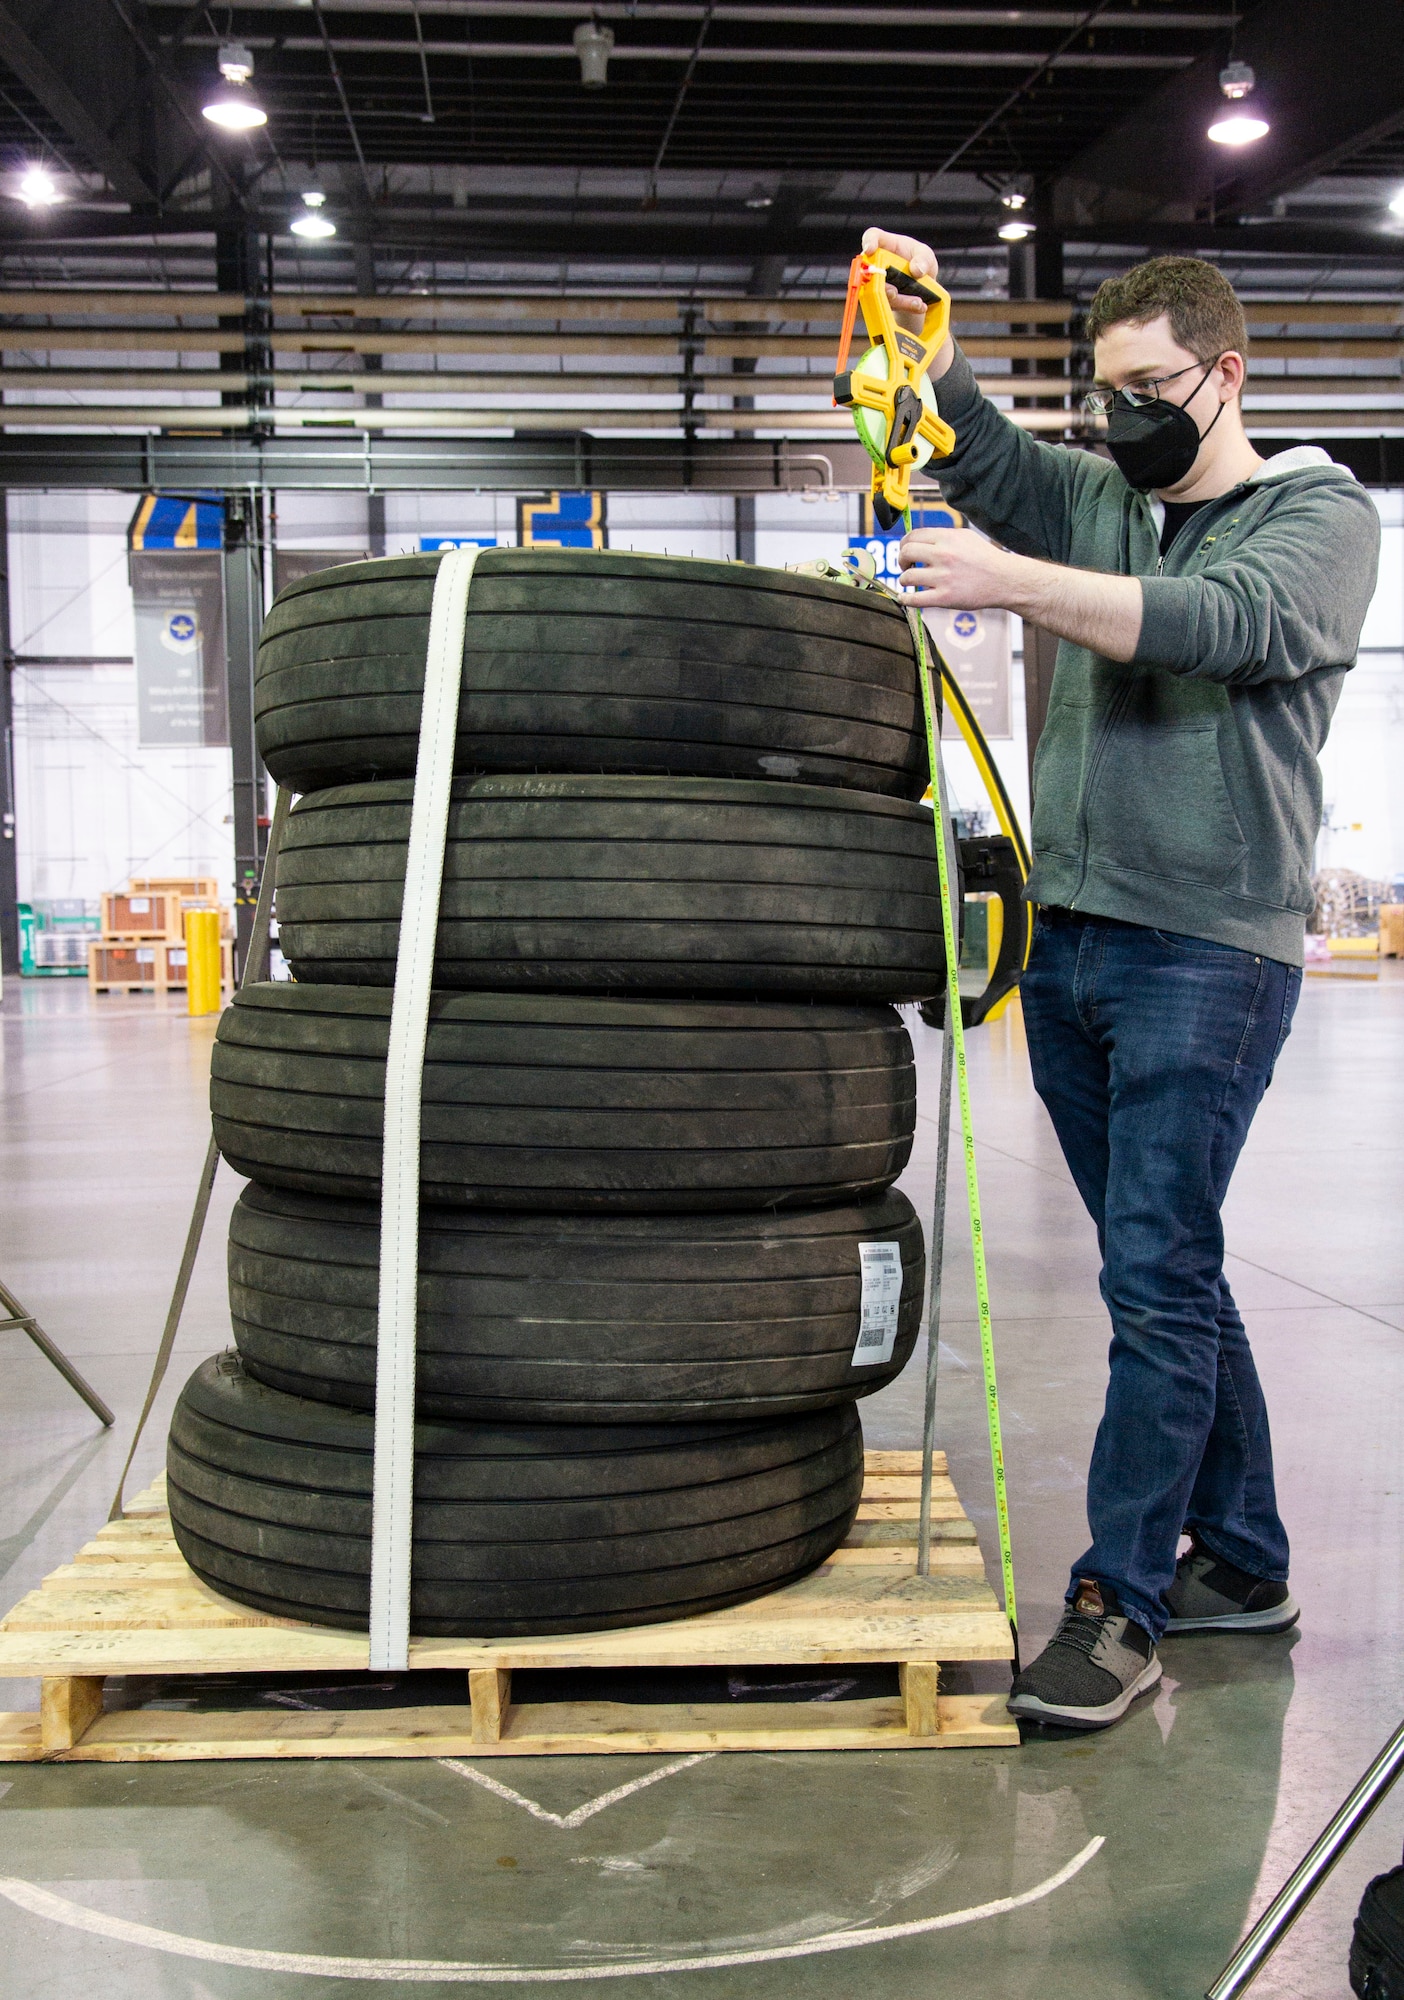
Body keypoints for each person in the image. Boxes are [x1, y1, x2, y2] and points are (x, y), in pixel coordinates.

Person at [865, 228, 1381, 1731]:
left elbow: (1224, 632)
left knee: (1155, 1277)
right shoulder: (1105, 495)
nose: (1126, 421)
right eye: (1108, 395)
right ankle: (1248, 1561)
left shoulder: (1317, 517)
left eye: (1154, 388)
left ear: (1227, 376)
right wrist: (931, 355)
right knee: (1169, 1269)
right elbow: (999, 467)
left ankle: (1121, 1604)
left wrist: (1010, 584)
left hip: (1208, 949)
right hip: (1078, 934)